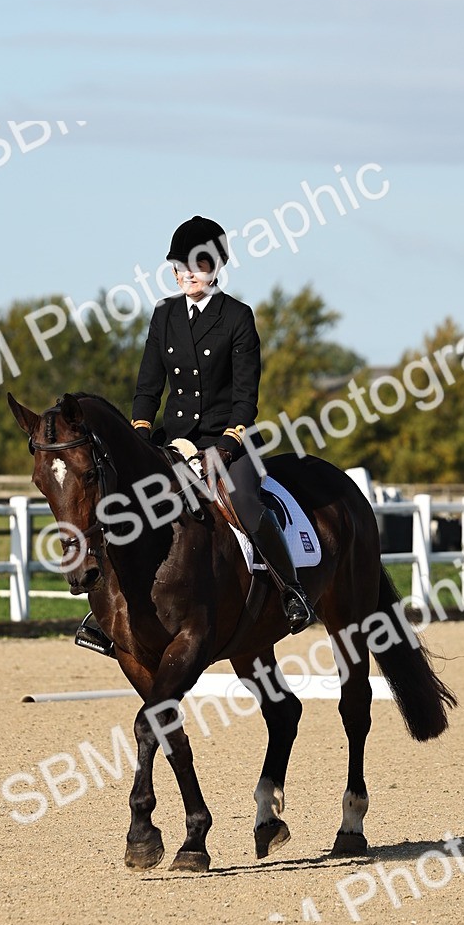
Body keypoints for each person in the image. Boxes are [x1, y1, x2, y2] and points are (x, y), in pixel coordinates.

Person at [129, 215, 316, 634]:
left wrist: (227, 446)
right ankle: (113, 609)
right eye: (179, 266)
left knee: (245, 502)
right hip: (174, 441)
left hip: (229, 441)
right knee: (129, 502)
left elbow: (246, 397)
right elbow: (148, 387)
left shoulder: (237, 317)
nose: (186, 274)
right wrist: (139, 435)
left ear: (215, 267)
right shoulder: (164, 315)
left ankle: (292, 590)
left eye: (196, 266)